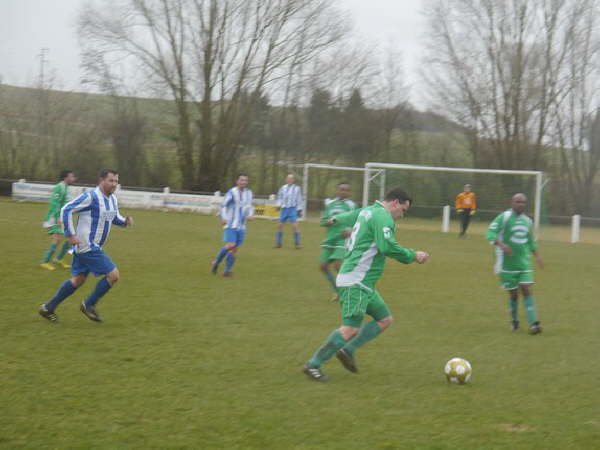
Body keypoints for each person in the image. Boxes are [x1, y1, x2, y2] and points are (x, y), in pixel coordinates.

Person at [303, 188, 430, 382]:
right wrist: (414, 255)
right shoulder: (383, 217)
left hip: (364, 282)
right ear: (395, 203)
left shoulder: (367, 210)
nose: (401, 215)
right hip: (356, 280)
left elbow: (348, 215)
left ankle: (348, 350)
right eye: (403, 210)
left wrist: (333, 220)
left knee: (385, 319)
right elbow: (387, 247)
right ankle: (313, 364)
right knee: (350, 329)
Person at [38, 169, 133, 323]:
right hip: (88, 246)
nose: (114, 184)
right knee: (114, 275)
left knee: (78, 280)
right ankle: (88, 305)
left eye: (116, 181)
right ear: (102, 180)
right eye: (111, 180)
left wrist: (124, 222)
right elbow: (66, 209)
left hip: (90, 247)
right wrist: (70, 234)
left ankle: (48, 307)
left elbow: (113, 217)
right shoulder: (91, 197)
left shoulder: (112, 199)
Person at [486, 193, 543, 334]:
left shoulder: (528, 221)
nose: (520, 204)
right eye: (518, 202)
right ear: (512, 202)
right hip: (507, 264)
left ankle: (534, 323)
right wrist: (501, 245)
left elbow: (530, 241)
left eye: (523, 202)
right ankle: (514, 321)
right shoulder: (503, 217)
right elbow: (490, 233)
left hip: (524, 263)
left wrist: (537, 255)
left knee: (526, 289)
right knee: (513, 295)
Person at [319, 182, 356, 302]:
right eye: (341, 189)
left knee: (338, 265)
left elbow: (358, 221)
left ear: (349, 192)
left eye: (346, 190)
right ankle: (339, 291)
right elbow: (322, 221)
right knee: (323, 266)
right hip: (330, 238)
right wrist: (327, 222)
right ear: (338, 191)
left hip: (343, 238)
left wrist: (350, 230)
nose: (343, 192)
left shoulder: (351, 205)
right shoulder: (330, 204)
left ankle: (349, 291)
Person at [211, 174, 254, 277]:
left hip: (241, 225)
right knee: (230, 245)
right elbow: (224, 206)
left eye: (245, 180)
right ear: (237, 181)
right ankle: (216, 261)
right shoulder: (232, 192)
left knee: (234, 249)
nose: (243, 182)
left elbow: (250, 206)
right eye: (242, 180)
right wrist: (223, 218)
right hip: (231, 224)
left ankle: (227, 271)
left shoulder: (249, 193)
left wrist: (251, 215)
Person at [40, 170, 77, 270]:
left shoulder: (66, 188)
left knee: (70, 240)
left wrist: (72, 212)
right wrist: (57, 217)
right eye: (71, 177)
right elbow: (54, 203)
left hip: (61, 217)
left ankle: (58, 259)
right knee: (57, 239)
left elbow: (66, 204)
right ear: (66, 178)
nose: (73, 179)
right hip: (53, 218)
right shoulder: (58, 187)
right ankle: (45, 262)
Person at [274, 174, 303, 249]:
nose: (289, 180)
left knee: (295, 226)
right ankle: (278, 243)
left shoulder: (297, 188)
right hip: (284, 209)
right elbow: (280, 197)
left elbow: (299, 199)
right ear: (286, 180)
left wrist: (299, 209)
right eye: (288, 178)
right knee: (279, 225)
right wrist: (278, 206)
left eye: (291, 179)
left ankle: (297, 244)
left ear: (293, 180)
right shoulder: (282, 188)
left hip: (292, 208)